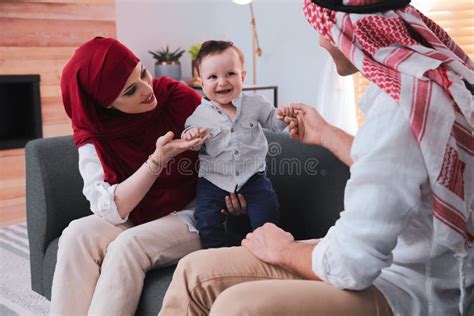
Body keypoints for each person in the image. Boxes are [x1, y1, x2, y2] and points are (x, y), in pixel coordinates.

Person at [159, 0, 473, 315]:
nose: (321, 39)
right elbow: (403, 166)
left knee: (236, 306)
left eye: (323, 28)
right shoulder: (418, 91)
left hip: (406, 287)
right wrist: (324, 133)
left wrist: (285, 249)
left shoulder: (401, 112)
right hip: (388, 262)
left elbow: (352, 264)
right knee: (192, 272)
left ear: (351, 30)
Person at [49, 37, 247, 315]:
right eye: (130, 90)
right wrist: (158, 161)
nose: (147, 89)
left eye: (143, 73)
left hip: (195, 211)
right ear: (106, 105)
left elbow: (233, 149)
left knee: (126, 247)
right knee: (75, 235)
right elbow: (109, 210)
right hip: (137, 211)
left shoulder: (177, 98)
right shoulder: (94, 132)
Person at [181, 40, 291, 248]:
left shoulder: (255, 104)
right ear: (201, 83)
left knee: (267, 213)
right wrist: (190, 135)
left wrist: (284, 115)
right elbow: (192, 144)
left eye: (230, 74)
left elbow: (274, 123)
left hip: (253, 178)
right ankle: (219, 254)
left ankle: (268, 250)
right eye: (213, 77)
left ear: (243, 75)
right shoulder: (199, 115)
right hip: (214, 180)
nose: (222, 82)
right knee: (205, 220)